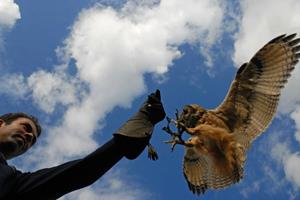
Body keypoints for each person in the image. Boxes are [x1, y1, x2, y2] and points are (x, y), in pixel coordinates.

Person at [0, 90, 166, 200]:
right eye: (26, 127)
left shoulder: (12, 181)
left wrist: (141, 122)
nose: (29, 136)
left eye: (32, 140)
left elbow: (80, 172)